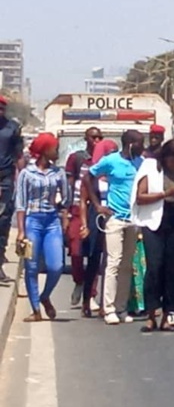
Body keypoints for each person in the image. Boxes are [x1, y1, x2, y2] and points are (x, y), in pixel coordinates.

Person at [132, 140, 174, 332]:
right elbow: (140, 197)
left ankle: (168, 315)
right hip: (155, 222)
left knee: (173, 270)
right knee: (155, 267)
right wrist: (166, 193)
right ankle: (151, 314)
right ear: (165, 157)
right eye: (173, 161)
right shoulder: (150, 167)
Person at [84, 130, 145, 325]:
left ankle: (121, 307)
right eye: (139, 143)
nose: (141, 147)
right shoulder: (111, 160)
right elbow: (88, 176)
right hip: (114, 218)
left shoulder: (140, 162)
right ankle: (108, 307)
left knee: (127, 265)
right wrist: (97, 205)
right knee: (114, 262)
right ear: (130, 144)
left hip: (133, 219)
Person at [15, 133, 70, 322]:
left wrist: (63, 211)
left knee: (56, 266)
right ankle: (36, 309)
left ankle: (45, 295)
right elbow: (20, 203)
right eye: (54, 148)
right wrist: (21, 231)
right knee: (31, 267)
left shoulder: (58, 172)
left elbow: (66, 198)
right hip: (32, 221)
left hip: (52, 220)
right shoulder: (27, 173)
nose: (57, 151)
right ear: (45, 150)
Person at [78, 139, 118, 317]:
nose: (113, 156)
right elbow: (82, 201)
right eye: (109, 152)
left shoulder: (116, 172)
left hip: (114, 215)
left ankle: (107, 303)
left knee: (111, 262)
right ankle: (86, 300)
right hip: (96, 217)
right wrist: (84, 224)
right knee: (94, 261)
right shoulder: (91, 174)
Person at [65, 127, 102, 307]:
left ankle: (91, 293)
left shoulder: (104, 160)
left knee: (94, 252)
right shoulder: (77, 158)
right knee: (76, 250)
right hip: (76, 207)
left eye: (99, 137)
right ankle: (79, 281)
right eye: (93, 137)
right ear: (86, 138)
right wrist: (65, 209)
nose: (96, 140)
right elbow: (69, 184)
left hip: (95, 209)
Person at [0, 95, 25, 283]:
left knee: (3, 220)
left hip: (5, 177)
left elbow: (19, 155)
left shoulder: (12, 128)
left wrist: (23, 177)